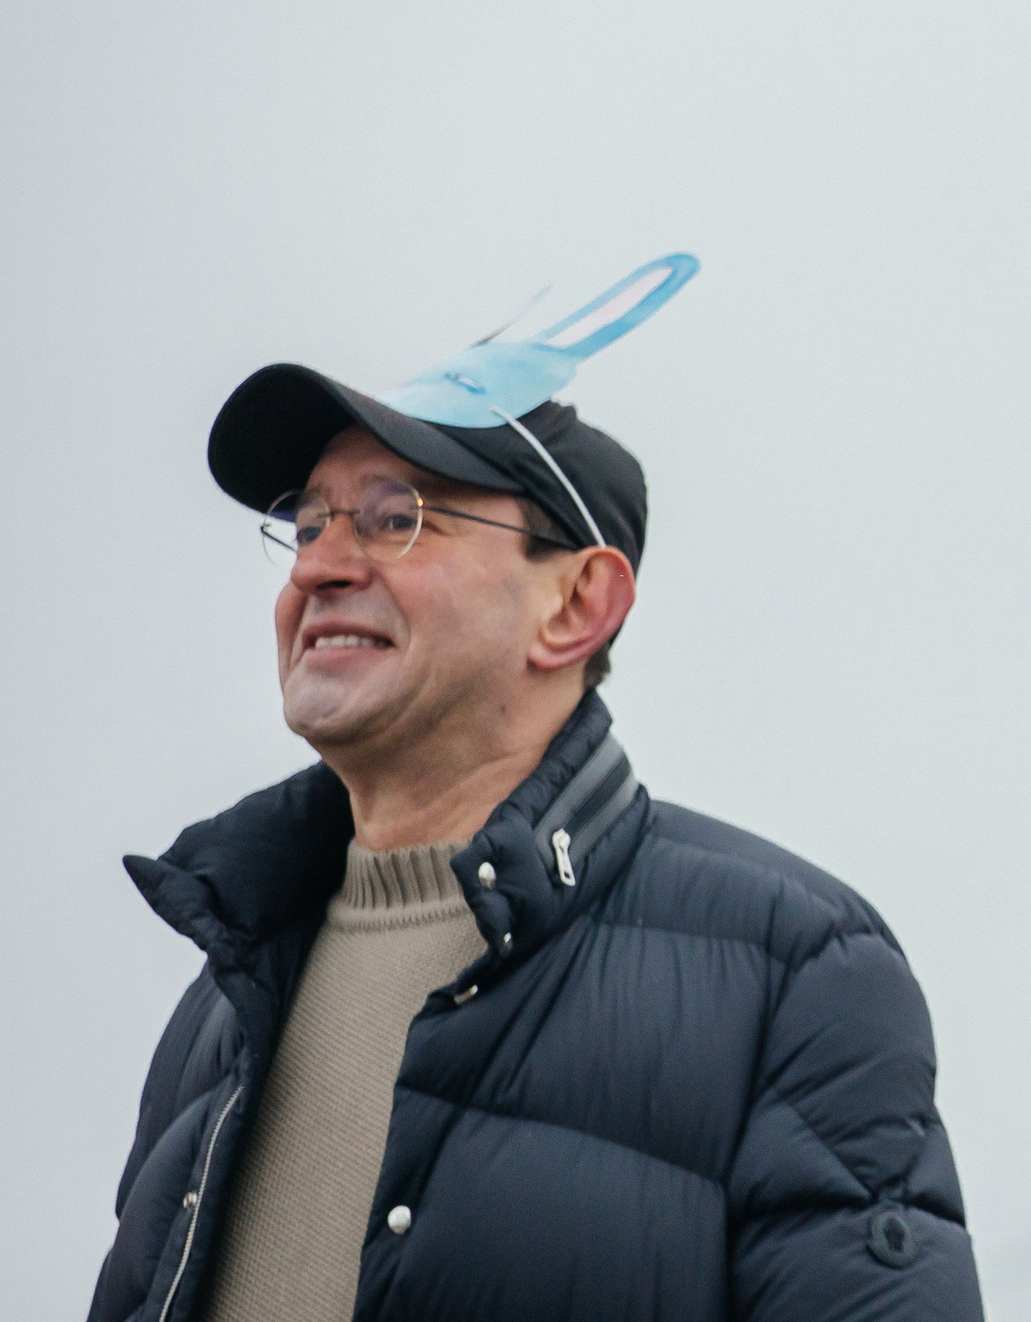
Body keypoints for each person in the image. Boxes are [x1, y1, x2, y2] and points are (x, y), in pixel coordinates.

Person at [90, 280, 982, 1322]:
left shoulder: (792, 967)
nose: (321, 566)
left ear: (577, 605)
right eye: (309, 521)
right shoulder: (222, 1001)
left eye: (395, 517)